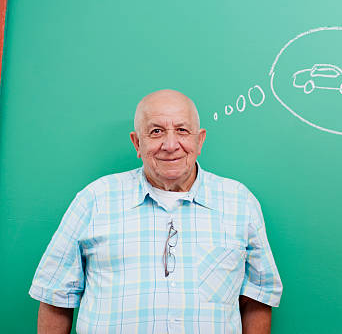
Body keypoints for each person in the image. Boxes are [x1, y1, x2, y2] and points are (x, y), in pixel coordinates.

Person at [30, 89, 282, 333]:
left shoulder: (239, 202)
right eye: (156, 131)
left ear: (199, 139)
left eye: (182, 130)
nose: (170, 145)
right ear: (137, 143)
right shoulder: (94, 200)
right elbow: (55, 296)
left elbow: (257, 297)